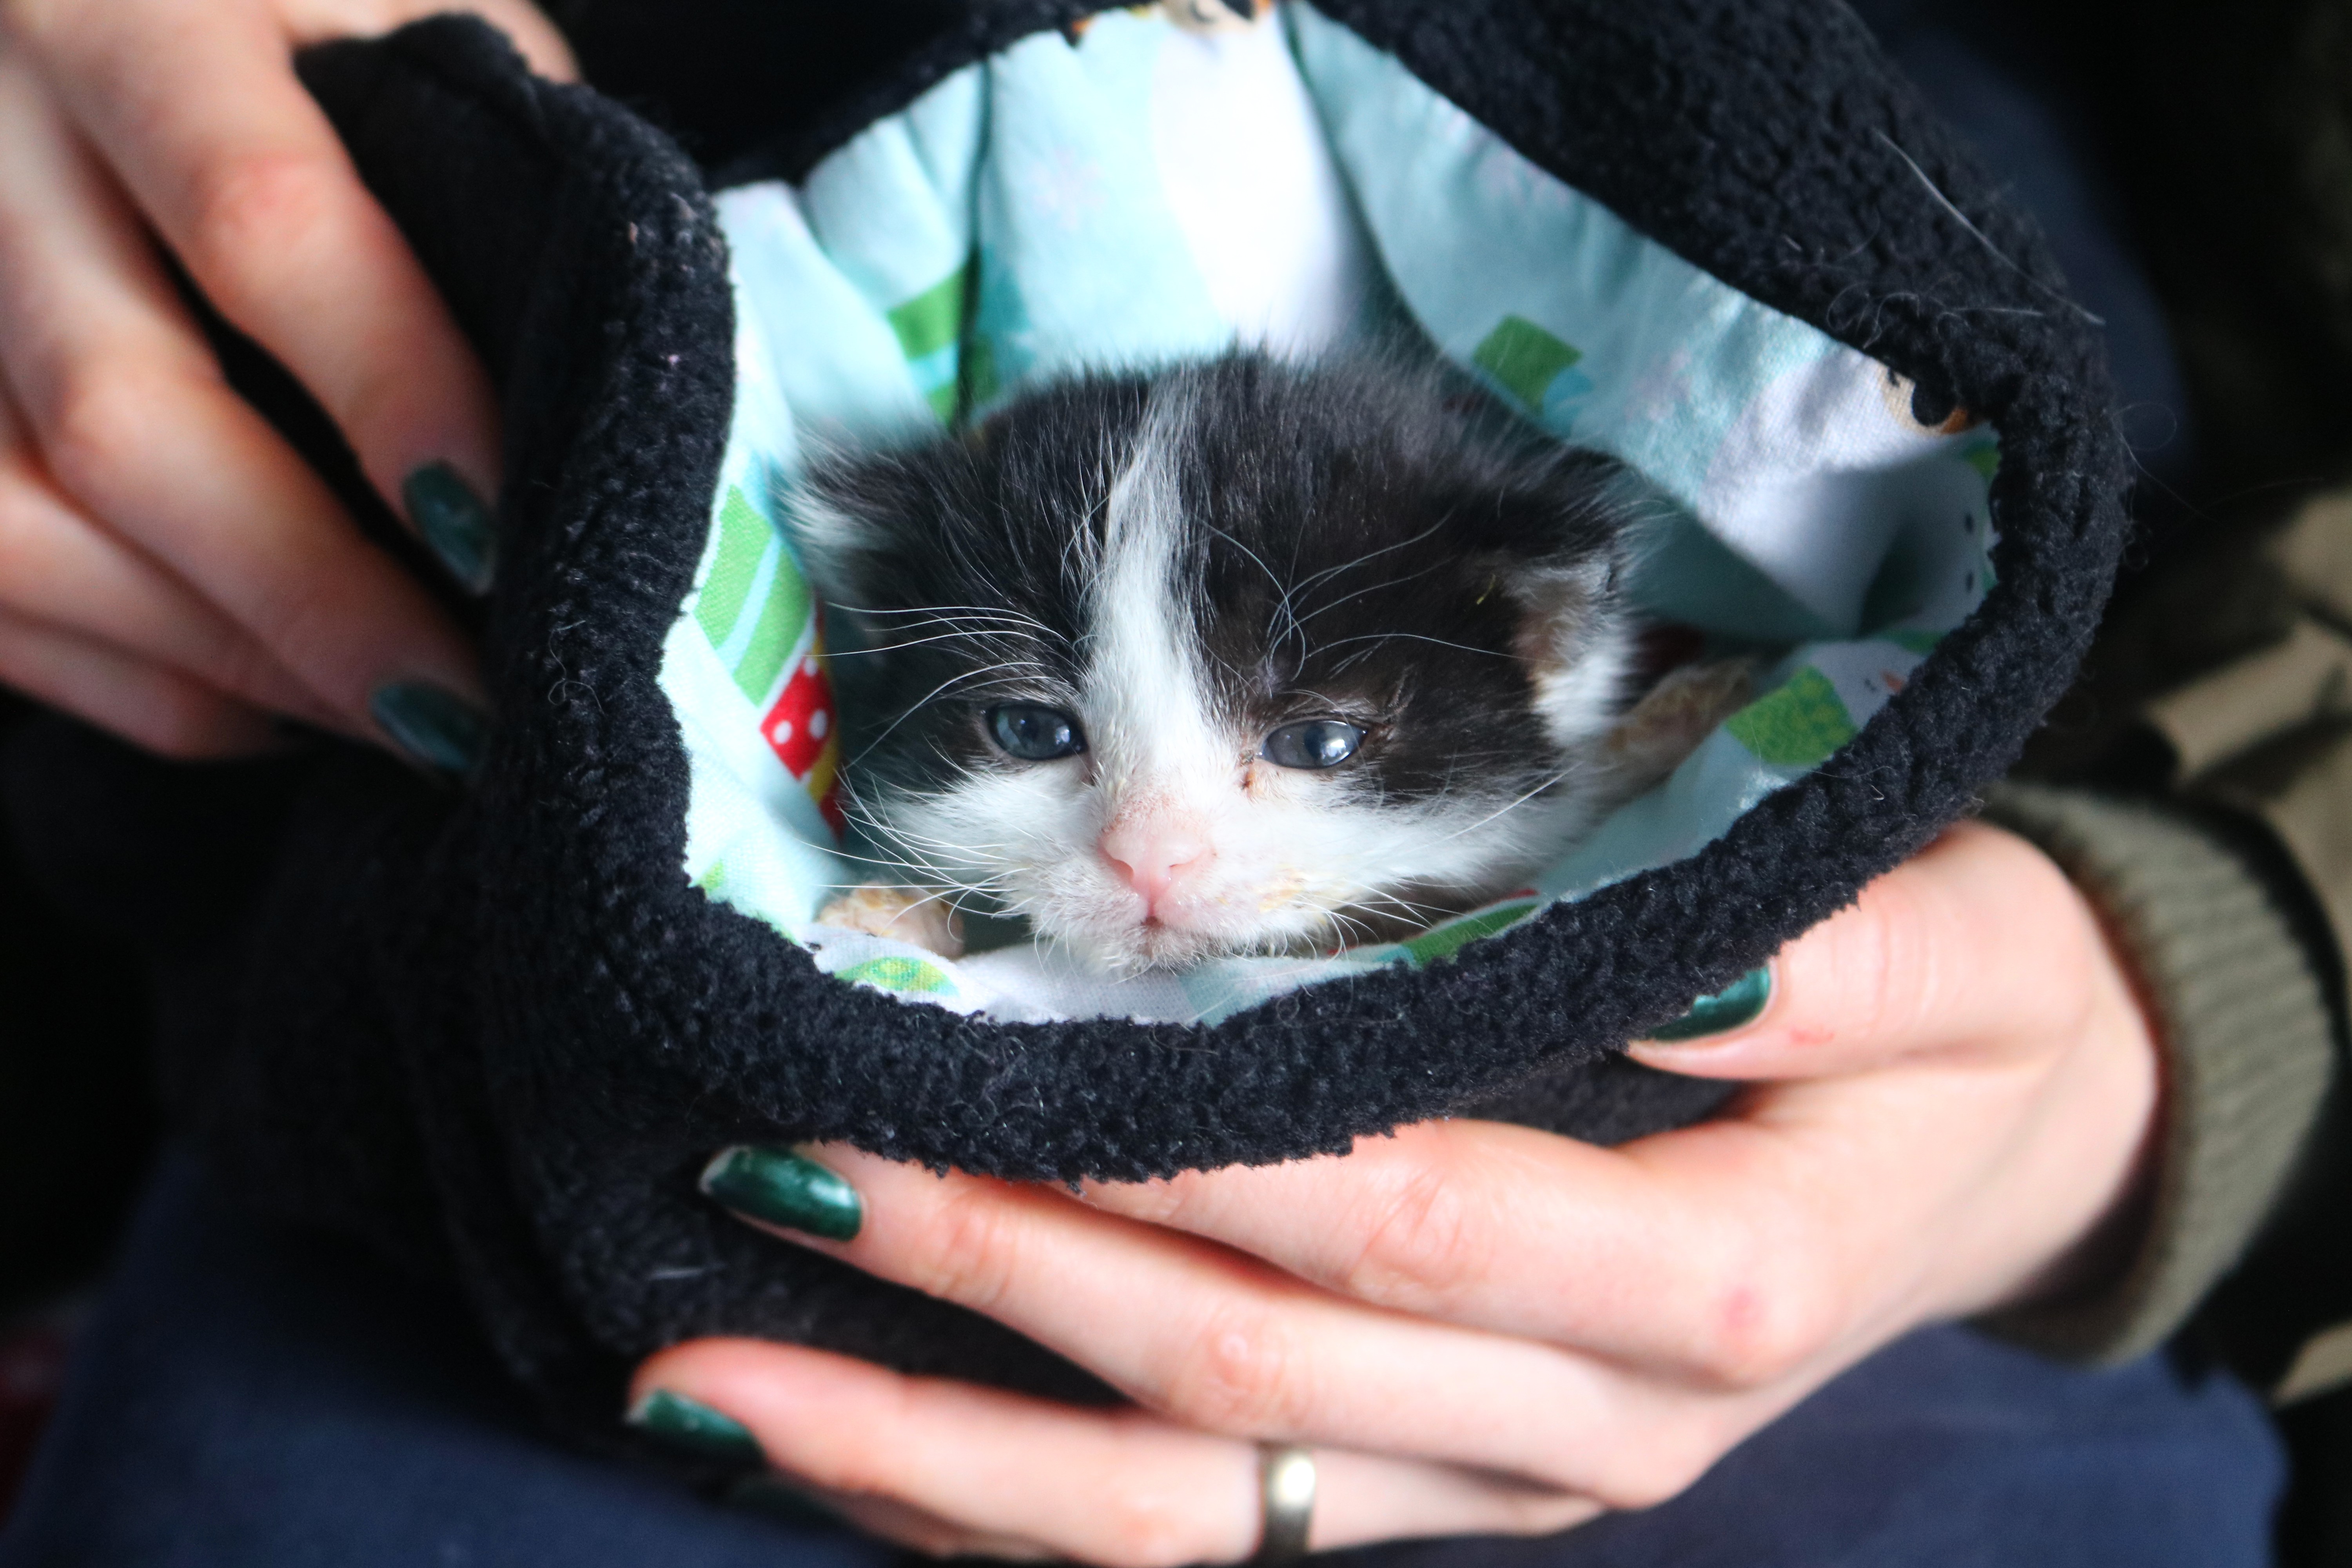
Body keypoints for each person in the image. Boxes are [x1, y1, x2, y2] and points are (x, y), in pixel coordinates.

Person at [0, 0, 2341, 1563]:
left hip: (1990, 1035)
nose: (1153, 860)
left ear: (1551, 646)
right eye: (1031, 730)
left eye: (1308, 743)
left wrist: (2235, 937)